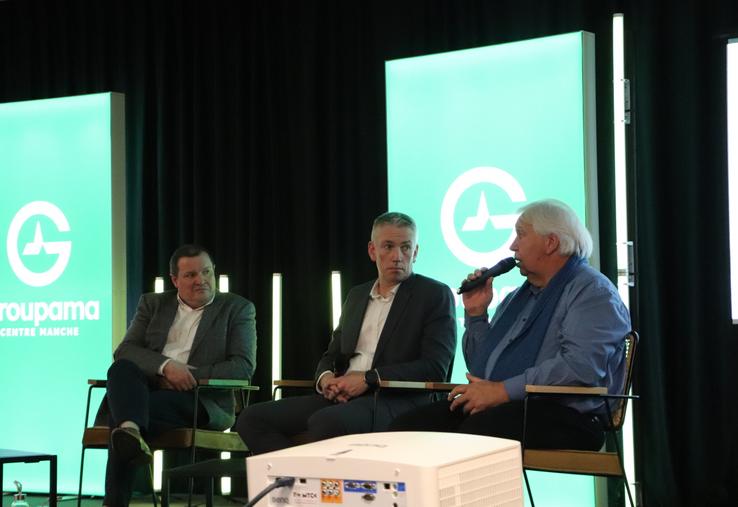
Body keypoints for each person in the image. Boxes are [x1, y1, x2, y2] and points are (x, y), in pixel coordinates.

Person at [389, 199, 631, 451]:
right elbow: (482, 367)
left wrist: (503, 391)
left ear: (551, 243)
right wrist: (476, 314)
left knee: (474, 434)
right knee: (406, 429)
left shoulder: (593, 292)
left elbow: (581, 368)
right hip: (512, 407)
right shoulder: (519, 297)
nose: (513, 245)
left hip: (571, 416)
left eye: (521, 235)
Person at [235, 212, 456, 454]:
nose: (397, 256)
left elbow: (435, 368)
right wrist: (326, 378)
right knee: (251, 418)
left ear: (415, 252)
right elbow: (333, 353)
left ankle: (310, 481)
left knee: (327, 421)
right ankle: (297, 482)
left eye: (405, 248)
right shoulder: (357, 296)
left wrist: (368, 378)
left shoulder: (434, 294)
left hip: (395, 400)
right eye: (388, 247)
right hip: (343, 397)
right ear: (373, 251)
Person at [103, 244, 257, 507]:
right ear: (175, 280)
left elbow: (242, 367)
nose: (201, 281)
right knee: (121, 368)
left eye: (206, 272)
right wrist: (166, 367)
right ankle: (131, 430)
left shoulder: (237, 309)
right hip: (151, 388)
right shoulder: (152, 304)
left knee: (125, 416)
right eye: (191, 276)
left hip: (200, 398)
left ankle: (116, 491)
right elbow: (125, 350)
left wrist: (187, 375)